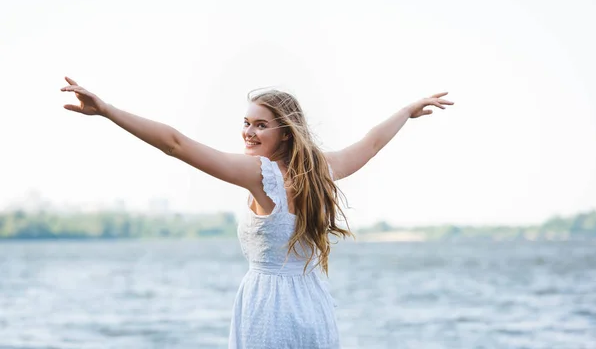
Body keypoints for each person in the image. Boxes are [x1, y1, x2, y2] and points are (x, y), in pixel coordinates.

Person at [60, 76, 453, 348]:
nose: (248, 132)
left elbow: (175, 144)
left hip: (271, 308)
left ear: (285, 132)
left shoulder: (260, 174)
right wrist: (407, 111)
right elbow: (370, 145)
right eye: (246, 122)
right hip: (313, 304)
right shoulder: (320, 170)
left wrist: (109, 111)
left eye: (260, 125)